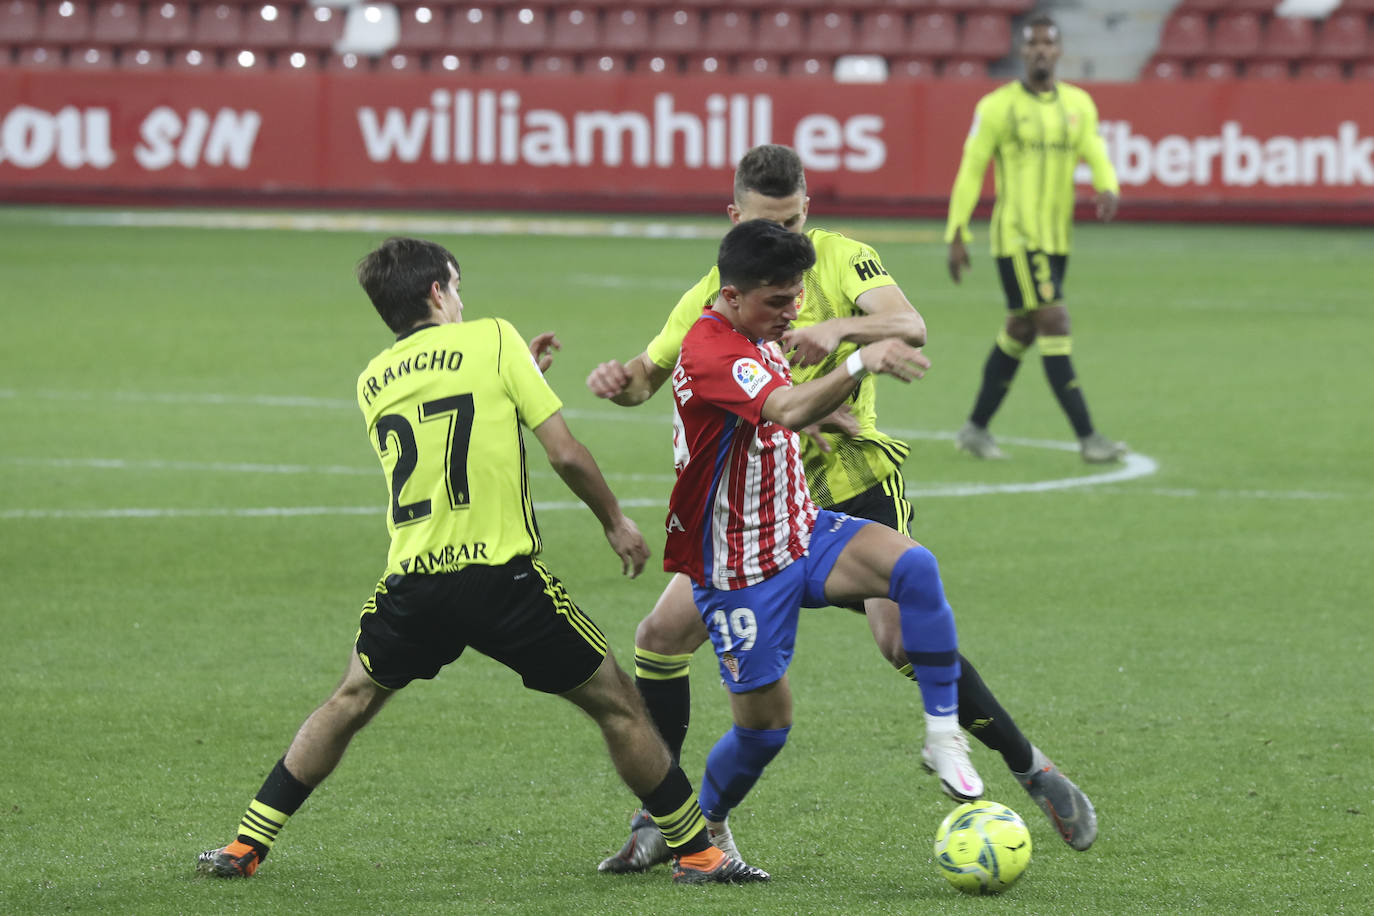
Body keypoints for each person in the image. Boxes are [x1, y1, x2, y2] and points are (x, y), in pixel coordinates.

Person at [194, 236, 767, 886]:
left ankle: (246, 843)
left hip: (413, 581)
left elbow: (450, 420)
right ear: (438, 292)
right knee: (619, 705)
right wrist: (615, 521)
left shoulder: (373, 381)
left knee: (350, 699)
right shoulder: (494, 340)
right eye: (456, 287)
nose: (461, 300)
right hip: (500, 579)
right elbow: (565, 453)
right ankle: (698, 851)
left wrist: (517, 373)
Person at [589, 145, 1098, 873]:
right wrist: (622, 380)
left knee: (902, 637)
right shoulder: (715, 304)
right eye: (773, 229)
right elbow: (661, 378)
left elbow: (909, 326)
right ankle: (668, 818)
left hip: (843, 485)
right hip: (748, 524)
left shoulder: (839, 260)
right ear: (736, 224)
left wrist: (840, 337)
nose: (792, 251)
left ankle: (1025, 763)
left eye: (796, 223)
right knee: (662, 643)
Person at [655, 219, 982, 866]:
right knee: (765, 731)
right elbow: (784, 409)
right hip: (740, 567)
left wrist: (825, 402)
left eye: (797, 295)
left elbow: (785, 407)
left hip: (801, 531)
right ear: (730, 294)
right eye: (777, 301)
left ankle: (945, 737)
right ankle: (705, 828)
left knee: (914, 566)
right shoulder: (709, 349)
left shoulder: (756, 329)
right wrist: (859, 361)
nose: (792, 310)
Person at [945, 13, 1126, 464]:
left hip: (1056, 239)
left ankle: (975, 428)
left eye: (1049, 43)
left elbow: (1095, 149)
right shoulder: (997, 107)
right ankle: (1089, 438)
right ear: (1023, 52)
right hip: (1017, 238)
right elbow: (972, 168)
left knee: (1020, 330)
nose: (1042, 50)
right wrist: (957, 230)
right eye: (1033, 44)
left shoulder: (1079, 104)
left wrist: (1108, 186)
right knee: (1055, 322)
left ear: (1059, 50)